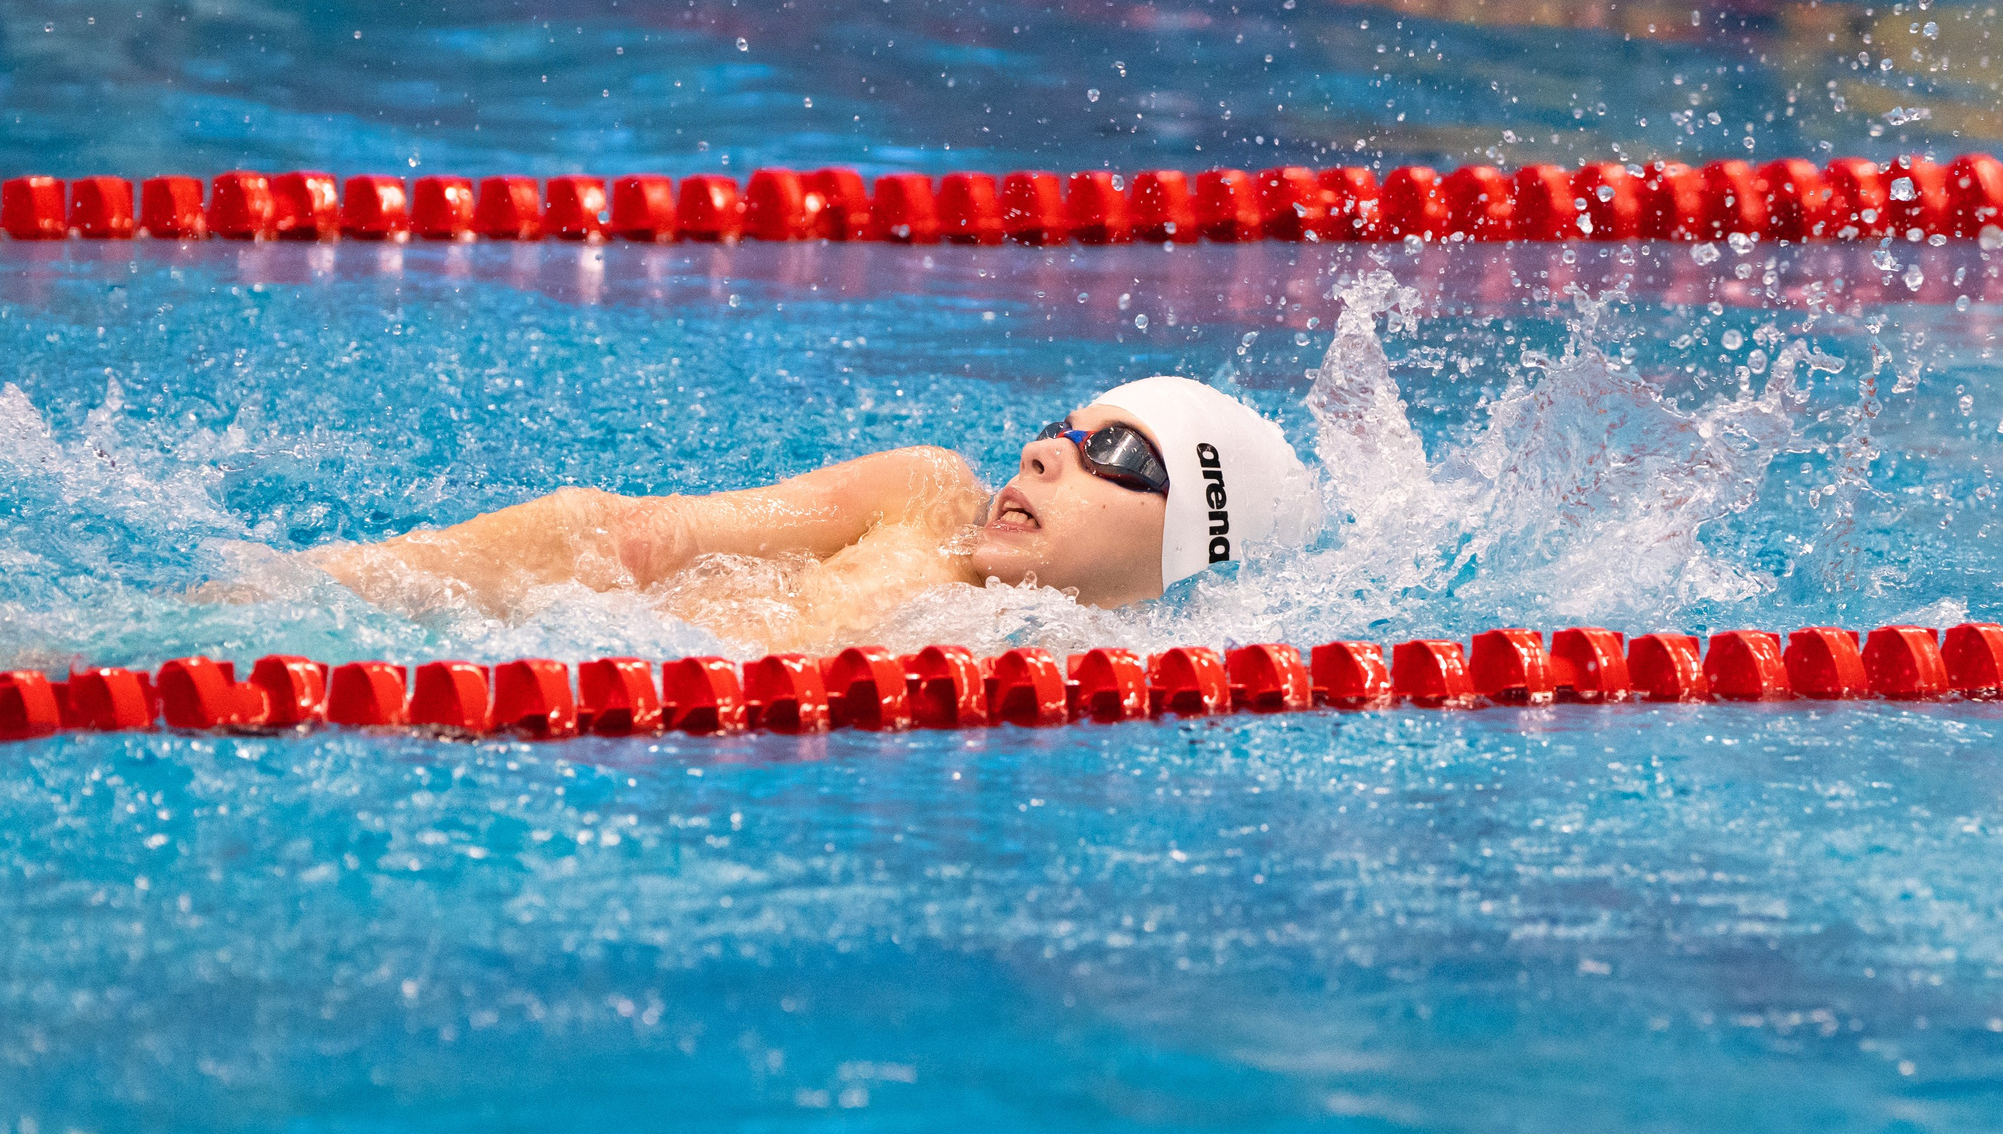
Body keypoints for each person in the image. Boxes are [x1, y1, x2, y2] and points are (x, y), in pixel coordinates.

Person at [314, 376, 1321, 652]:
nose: (1044, 449)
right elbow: (638, 534)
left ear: (1190, 541)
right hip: (501, 629)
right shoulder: (920, 500)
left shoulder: (1109, 677)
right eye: (1059, 426)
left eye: (1113, 452)